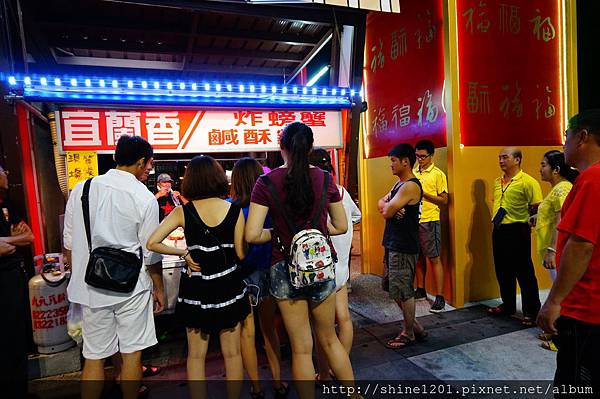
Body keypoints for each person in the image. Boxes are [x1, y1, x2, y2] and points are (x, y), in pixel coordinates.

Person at [245, 122, 355, 398]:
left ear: (282, 147)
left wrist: (281, 234)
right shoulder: (326, 179)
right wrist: (314, 233)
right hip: (321, 267)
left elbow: (252, 234)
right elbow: (340, 226)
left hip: (284, 268)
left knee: (301, 347)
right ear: (309, 147)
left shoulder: (266, 182)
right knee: (329, 339)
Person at [63, 136, 165, 399]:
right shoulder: (143, 197)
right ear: (142, 161)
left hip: (90, 288)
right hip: (132, 288)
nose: (149, 170)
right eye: (149, 164)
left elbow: (69, 244)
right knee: (132, 352)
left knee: (94, 356)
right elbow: (151, 251)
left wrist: (80, 278)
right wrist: (159, 287)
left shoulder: (81, 190)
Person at [147, 155, 250, 399]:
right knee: (233, 353)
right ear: (217, 178)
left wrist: (183, 252)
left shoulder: (184, 212)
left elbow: (152, 242)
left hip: (196, 288)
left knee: (195, 355)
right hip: (228, 284)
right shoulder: (234, 210)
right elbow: (240, 253)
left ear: (191, 181)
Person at [537, 110, 600, 397]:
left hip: (585, 308)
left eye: (566, 137)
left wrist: (554, 301)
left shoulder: (591, 180)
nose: (564, 145)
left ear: (583, 137)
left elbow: (581, 244)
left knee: (575, 382)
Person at [229, 158, 288, 399]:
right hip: (269, 270)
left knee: (247, 333)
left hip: (242, 275)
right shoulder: (271, 206)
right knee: (269, 329)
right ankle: (278, 382)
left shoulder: (230, 208)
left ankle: (255, 387)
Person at [309, 148, 361, 381]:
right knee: (344, 318)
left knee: (322, 327)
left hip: (322, 269)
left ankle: (323, 372)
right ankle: (342, 361)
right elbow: (356, 216)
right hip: (341, 268)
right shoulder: (341, 191)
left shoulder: (310, 195)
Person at [377, 144, 427, 349]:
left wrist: (389, 208)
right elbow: (381, 204)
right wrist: (388, 207)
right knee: (394, 288)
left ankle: (408, 333)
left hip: (403, 245)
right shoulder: (399, 185)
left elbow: (387, 211)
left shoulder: (410, 186)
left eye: (393, 160)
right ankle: (415, 327)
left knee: (404, 291)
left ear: (405, 161)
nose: (391, 164)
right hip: (393, 243)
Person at [488, 147, 543, 326]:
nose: (500, 161)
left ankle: (532, 311)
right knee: (503, 270)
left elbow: (536, 207)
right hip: (499, 229)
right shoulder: (498, 181)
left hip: (518, 229)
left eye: (505, 157)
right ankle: (508, 305)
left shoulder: (528, 182)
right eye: (499, 158)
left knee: (524, 272)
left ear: (517, 159)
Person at [532, 150, 578, 352]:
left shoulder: (562, 189)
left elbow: (562, 220)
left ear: (556, 169)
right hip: (551, 250)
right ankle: (555, 331)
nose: (540, 169)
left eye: (543, 165)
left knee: (562, 295)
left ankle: (560, 339)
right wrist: (537, 219)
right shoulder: (557, 189)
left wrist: (552, 249)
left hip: (557, 252)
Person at [0, 164, 35, 399]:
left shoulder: (7, 204)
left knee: (16, 337)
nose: (7, 174)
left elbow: (29, 236)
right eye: (4, 171)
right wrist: (11, 239)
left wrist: (6, 240)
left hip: (12, 279)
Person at [412, 140, 449, 313]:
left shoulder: (438, 174)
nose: (420, 159)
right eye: (417, 156)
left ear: (431, 155)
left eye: (423, 156)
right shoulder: (413, 171)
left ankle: (440, 296)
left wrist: (424, 194)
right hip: (414, 220)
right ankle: (420, 289)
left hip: (430, 219)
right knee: (418, 257)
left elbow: (444, 200)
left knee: (434, 257)